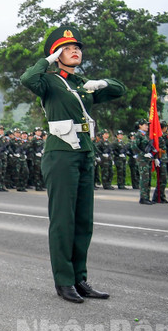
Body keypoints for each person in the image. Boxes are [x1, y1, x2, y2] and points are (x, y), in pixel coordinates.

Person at [21, 26, 125, 303]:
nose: (75, 50)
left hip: (85, 153)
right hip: (61, 154)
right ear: (57, 54)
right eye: (67, 48)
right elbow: (27, 78)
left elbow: (120, 90)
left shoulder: (82, 84)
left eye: (77, 47)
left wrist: (101, 83)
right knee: (63, 221)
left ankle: (80, 279)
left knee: (83, 221)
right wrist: (49, 59)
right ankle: (64, 281)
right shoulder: (50, 82)